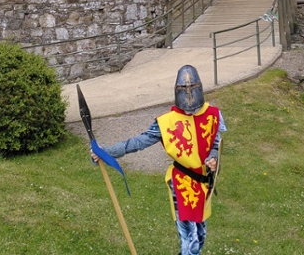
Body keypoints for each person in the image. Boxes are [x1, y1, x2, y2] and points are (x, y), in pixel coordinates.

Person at [92, 64, 226, 255]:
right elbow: (138, 142)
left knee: (201, 237)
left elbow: (215, 142)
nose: (190, 110)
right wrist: (106, 152)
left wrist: (213, 158)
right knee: (191, 242)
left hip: (203, 185)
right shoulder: (166, 122)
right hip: (182, 184)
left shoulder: (213, 114)